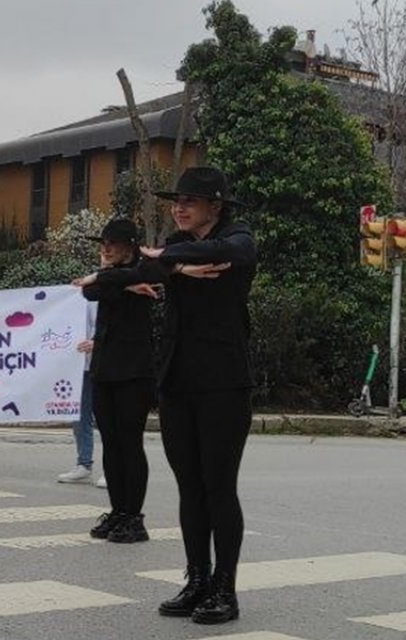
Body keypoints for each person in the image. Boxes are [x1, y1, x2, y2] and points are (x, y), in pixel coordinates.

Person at [144, 167, 257, 625]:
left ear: (216, 206)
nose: (180, 206)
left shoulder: (238, 237)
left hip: (223, 383)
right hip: (177, 381)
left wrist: (171, 259)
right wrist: (176, 263)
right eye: (177, 200)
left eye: (191, 200)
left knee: (218, 487)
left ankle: (224, 589)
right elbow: (141, 264)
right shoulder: (176, 244)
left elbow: (229, 251)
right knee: (190, 488)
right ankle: (196, 579)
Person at [72, 218, 168, 544]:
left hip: (134, 371)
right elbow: (89, 291)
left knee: (130, 442)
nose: (106, 248)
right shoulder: (117, 278)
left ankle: (133, 515)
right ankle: (117, 510)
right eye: (103, 244)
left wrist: (112, 278)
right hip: (104, 369)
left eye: (112, 243)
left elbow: (137, 276)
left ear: (129, 245)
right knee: (110, 443)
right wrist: (115, 281)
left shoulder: (146, 273)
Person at [57, 303, 100, 486]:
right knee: (80, 417)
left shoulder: (109, 296)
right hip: (78, 367)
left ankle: (113, 467)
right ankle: (84, 464)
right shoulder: (79, 298)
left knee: (107, 419)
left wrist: (98, 342)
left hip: (102, 365)